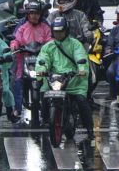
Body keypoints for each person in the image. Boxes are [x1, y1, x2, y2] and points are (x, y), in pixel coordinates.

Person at [35, 14, 93, 142]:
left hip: (73, 80)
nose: (58, 34)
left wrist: (82, 69)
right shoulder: (48, 46)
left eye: (61, 31)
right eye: (56, 32)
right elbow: (43, 59)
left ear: (66, 31)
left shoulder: (75, 44)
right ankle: (45, 118)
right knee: (43, 93)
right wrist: (42, 70)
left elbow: (80, 57)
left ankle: (90, 130)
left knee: (82, 101)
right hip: (54, 80)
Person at [9, 0, 51, 117]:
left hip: (41, 61)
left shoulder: (45, 27)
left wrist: (47, 46)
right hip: (24, 60)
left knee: (48, 80)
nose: (34, 16)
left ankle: (47, 109)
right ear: (28, 14)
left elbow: (50, 40)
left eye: (36, 13)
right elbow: (16, 39)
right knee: (18, 80)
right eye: (31, 13)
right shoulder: (22, 27)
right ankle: (17, 109)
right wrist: (15, 45)